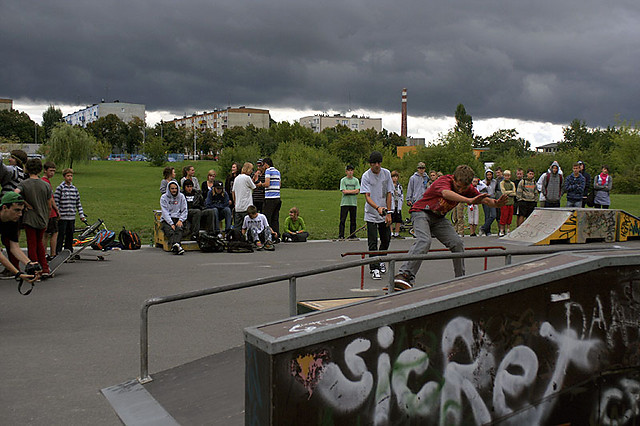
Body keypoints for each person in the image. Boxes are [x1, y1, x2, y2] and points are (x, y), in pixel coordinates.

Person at [393, 165, 508, 290]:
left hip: (439, 219)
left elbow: (483, 199)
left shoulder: (467, 188)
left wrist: (496, 204)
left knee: (457, 243)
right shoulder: (444, 181)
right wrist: (468, 200)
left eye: (463, 188)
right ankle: (405, 274)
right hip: (421, 212)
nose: (460, 190)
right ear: (454, 179)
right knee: (424, 240)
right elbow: (446, 193)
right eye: (458, 187)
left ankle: (460, 279)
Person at [16, 159, 52, 275]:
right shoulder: (46, 185)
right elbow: (49, 204)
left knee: (31, 244)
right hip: (42, 217)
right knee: (40, 244)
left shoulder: (24, 184)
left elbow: (14, 193)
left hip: (30, 218)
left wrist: (25, 203)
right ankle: (45, 268)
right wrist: (47, 217)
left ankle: (34, 267)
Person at [360, 151, 393, 281]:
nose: (377, 166)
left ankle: (381, 260)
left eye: (379, 163)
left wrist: (388, 212)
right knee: (372, 242)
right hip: (371, 213)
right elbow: (367, 197)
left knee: (386, 239)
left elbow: (389, 193)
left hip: (384, 212)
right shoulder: (366, 176)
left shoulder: (387, 173)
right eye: (374, 163)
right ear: (370, 164)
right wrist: (377, 208)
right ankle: (374, 268)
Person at [0, 192, 41, 283]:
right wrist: (18, 273)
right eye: (16, 210)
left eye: (21, 210)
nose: (20, 214)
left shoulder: (12, 221)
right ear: (5, 208)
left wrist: (29, 263)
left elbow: (14, 247)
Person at [54, 168, 86, 254]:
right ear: (64, 177)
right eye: (68, 176)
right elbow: (56, 202)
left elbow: (78, 203)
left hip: (71, 217)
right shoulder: (60, 188)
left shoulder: (74, 189)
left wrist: (81, 215)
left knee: (70, 235)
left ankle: (68, 251)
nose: (70, 178)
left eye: (71, 176)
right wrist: (58, 213)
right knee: (61, 235)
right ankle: (58, 251)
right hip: (63, 217)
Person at [160, 181, 187, 255]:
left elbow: (184, 210)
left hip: (178, 218)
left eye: (175, 188)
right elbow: (165, 212)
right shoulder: (163, 198)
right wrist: (171, 223)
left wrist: (181, 220)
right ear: (169, 189)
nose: (174, 190)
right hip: (167, 219)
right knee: (170, 231)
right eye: (172, 189)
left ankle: (175, 246)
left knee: (179, 229)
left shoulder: (181, 196)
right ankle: (177, 245)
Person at [41, 161, 59, 258]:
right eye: (50, 171)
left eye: (54, 171)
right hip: (50, 212)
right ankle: (53, 253)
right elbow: (51, 198)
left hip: (44, 212)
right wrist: (57, 210)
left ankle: (43, 253)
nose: (52, 173)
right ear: (45, 170)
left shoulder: (41, 181)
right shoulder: (46, 182)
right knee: (54, 233)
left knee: (45, 234)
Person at [261, 157, 281, 237]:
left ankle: (268, 235)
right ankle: (276, 235)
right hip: (277, 197)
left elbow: (267, 184)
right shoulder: (277, 171)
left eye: (263, 165)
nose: (262, 167)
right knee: (275, 218)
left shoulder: (268, 171)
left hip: (270, 198)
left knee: (267, 218)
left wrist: (260, 184)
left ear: (266, 164)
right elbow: (279, 184)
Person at [338, 164, 360, 239]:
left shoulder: (356, 180)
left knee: (353, 220)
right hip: (345, 203)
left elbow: (357, 191)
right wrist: (352, 191)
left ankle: (352, 234)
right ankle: (341, 235)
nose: (350, 172)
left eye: (351, 170)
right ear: (346, 172)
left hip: (353, 203)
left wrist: (349, 191)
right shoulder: (343, 180)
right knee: (342, 220)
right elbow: (344, 191)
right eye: (349, 171)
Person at [232, 162, 256, 228]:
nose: (251, 171)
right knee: (248, 226)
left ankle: (237, 237)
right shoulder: (247, 178)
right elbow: (254, 187)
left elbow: (233, 191)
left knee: (238, 226)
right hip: (247, 206)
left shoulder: (236, 178)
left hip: (238, 207)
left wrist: (235, 202)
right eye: (251, 169)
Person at [479, 169, 497, 236]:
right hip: (486, 199)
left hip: (492, 198)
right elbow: (480, 191)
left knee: (493, 215)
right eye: (488, 175)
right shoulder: (483, 182)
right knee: (487, 215)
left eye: (490, 174)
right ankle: (487, 231)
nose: (489, 176)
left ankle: (483, 227)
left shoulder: (495, 181)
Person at [498, 170, 516, 236]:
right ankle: (502, 230)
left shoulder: (512, 183)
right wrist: (510, 192)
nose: (507, 177)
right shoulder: (502, 183)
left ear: (510, 176)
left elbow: (514, 192)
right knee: (503, 216)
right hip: (504, 202)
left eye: (508, 176)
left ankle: (508, 229)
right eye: (505, 175)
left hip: (511, 202)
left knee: (509, 216)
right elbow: (503, 192)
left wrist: (509, 192)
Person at [390, 170, 404, 238]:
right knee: (391, 219)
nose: (395, 178)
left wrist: (401, 201)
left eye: (396, 177)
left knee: (398, 219)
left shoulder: (399, 186)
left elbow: (401, 195)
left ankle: (397, 233)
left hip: (397, 204)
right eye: (393, 177)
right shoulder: (389, 185)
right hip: (391, 204)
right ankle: (391, 233)